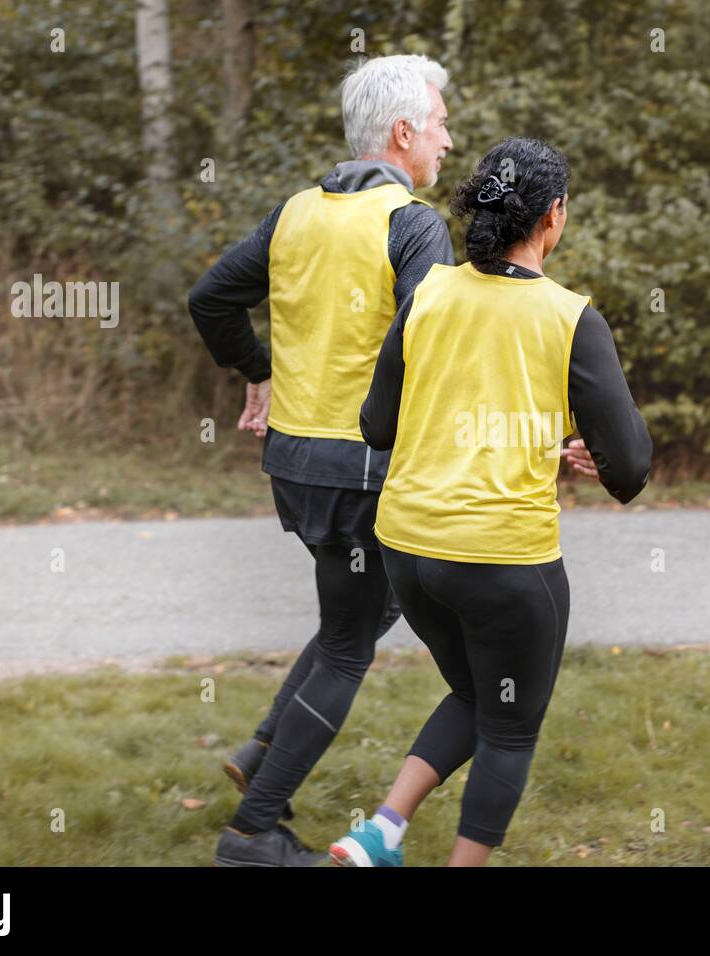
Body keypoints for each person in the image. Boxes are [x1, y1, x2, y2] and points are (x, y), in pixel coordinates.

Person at [327, 137, 652, 867]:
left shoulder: (429, 294)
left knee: (480, 693)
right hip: (503, 561)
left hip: (407, 551)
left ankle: (380, 830)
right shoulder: (569, 318)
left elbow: (376, 425)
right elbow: (629, 467)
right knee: (510, 726)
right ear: (553, 217)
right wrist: (592, 456)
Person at [187, 53, 455, 867]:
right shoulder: (412, 225)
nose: (448, 139)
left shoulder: (296, 213)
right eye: (441, 123)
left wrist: (260, 370)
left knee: (355, 617)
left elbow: (210, 297)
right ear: (403, 133)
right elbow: (430, 346)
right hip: (363, 471)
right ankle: (255, 832)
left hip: (295, 467)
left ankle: (266, 750)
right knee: (351, 641)